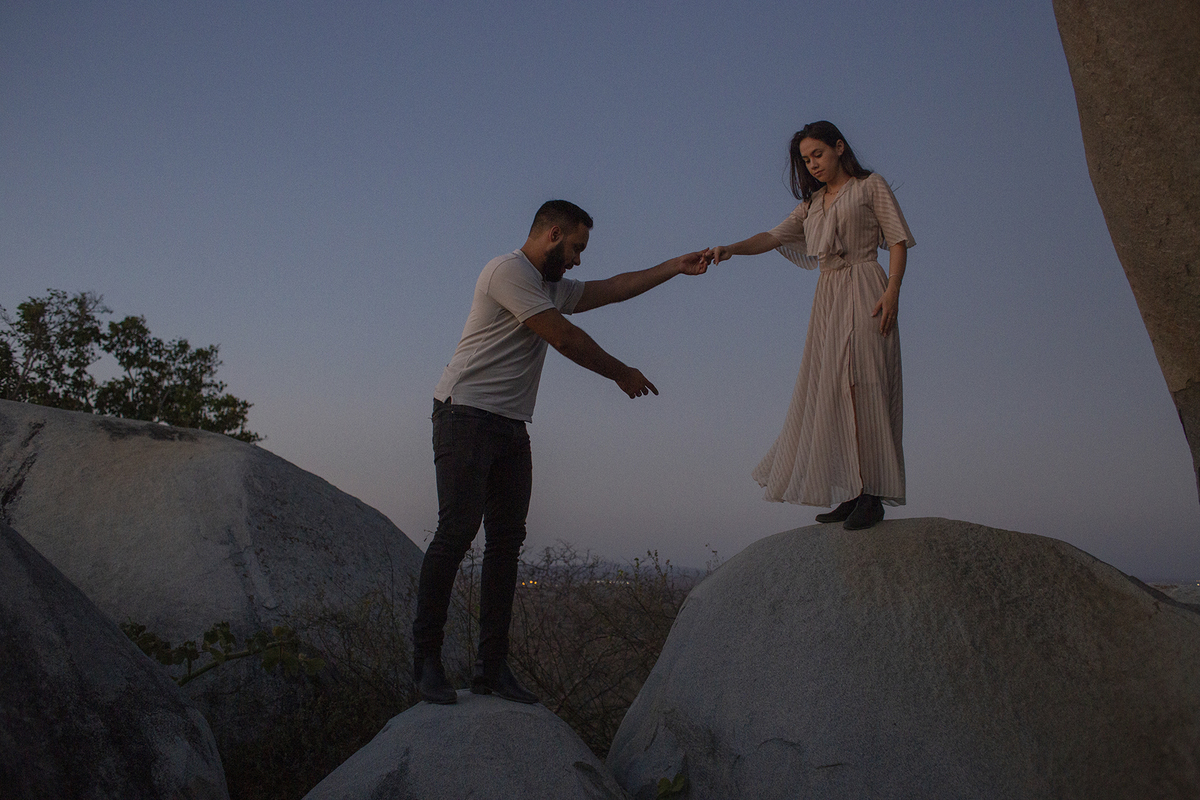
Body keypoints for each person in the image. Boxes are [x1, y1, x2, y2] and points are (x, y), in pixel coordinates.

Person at [413, 199, 710, 705]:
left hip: (510, 426)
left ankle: (491, 670)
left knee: (506, 545)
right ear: (553, 234)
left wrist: (673, 268)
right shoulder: (507, 271)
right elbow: (565, 338)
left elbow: (612, 288)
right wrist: (621, 371)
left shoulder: (548, 284)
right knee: (456, 533)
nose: (577, 261)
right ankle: (425, 663)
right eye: (576, 248)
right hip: (464, 414)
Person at [709, 121, 915, 531]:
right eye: (806, 159)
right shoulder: (813, 205)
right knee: (833, 386)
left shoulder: (870, 186)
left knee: (865, 381)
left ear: (839, 147)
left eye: (818, 154)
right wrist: (729, 248)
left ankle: (873, 493)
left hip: (866, 285)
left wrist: (892, 290)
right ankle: (854, 490)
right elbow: (771, 237)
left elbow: (896, 240)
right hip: (828, 296)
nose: (812, 164)